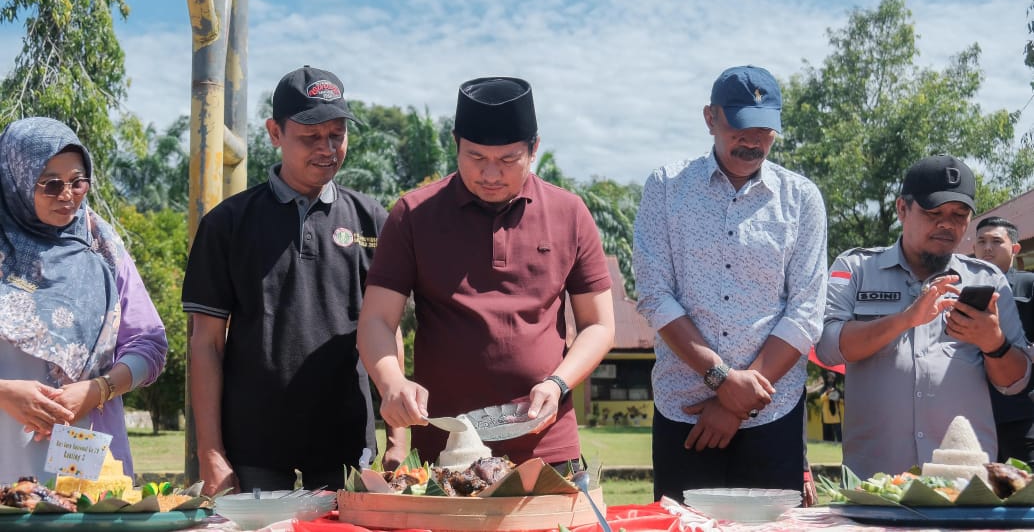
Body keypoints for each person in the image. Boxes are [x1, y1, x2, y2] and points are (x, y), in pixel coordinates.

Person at [357, 76, 615, 468]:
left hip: (547, 446)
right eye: (475, 158)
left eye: (508, 160)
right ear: (455, 144)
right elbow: (376, 318)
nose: (490, 175)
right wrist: (391, 382)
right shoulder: (414, 214)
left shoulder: (569, 213)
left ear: (534, 150)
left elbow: (599, 324)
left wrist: (557, 382)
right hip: (448, 449)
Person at [182, 66, 407, 495]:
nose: (326, 148)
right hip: (253, 452)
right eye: (309, 136)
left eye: (336, 135)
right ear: (274, 132)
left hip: (347, 448)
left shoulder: (375, 221)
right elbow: (205, 344)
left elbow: (387, 328)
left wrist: (397, 437)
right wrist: (211, 454)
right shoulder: (227, 225)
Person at [633, 65, 828, 501]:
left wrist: (736, 402)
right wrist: (723, 381)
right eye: (741, 127)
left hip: (772, 412)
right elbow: (654, 294)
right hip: (684, 409)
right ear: (710, 118)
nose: (753, 141)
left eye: (765, 130)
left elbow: (806, 309)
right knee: (685, 529)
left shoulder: (802, 199)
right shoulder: (666, 188)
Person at [816, 155, 1031, 479]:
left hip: (963, 482)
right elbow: (828, 346)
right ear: (903, 209)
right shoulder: (856, 268)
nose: (947, 224)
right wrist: (904, 320)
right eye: (934, 213)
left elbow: (1016, 383)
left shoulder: (986, 279)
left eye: (959, 216)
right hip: (876, 481)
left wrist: (994, 344)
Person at [0, 117, 168, 483]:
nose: (67, 195)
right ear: (16, 178)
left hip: (83, 460)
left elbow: (150, 345)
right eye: (50, 184)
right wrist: (5, 392)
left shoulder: (101, 246)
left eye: (78, 182)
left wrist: (98, 390)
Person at [974, 216, 1034, 462]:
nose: (987, 247)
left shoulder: (1028, 285)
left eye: (996, 241)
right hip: (974, 412)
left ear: (1015, 248)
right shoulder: (961, 287)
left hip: (1022, 411)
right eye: (981, 241)